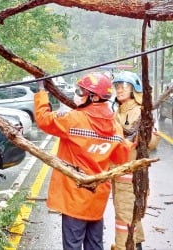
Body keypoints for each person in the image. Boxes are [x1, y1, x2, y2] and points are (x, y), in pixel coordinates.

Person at [34, 72, 133, 250]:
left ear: (94, 97)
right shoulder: (115, 127)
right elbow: (120, 158)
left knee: (72, 245)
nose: (78, 95)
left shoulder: (74, 120)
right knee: (94, 245)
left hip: (74, 196)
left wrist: (41, 91)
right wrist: (129, 142)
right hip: (97, 197)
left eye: (81, 92)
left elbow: (43, 120)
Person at [111, 71, 160, 250]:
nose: (119, 89)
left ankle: (124, 247)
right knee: (129, 216)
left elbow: (153, 142)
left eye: (124, 85)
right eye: (117, 86)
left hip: (131, 176)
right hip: (117, 173)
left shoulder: (140, 112)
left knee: (124, 218)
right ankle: (135, 245)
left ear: (134, 88)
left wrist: (142, 136)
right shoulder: (117, 112)